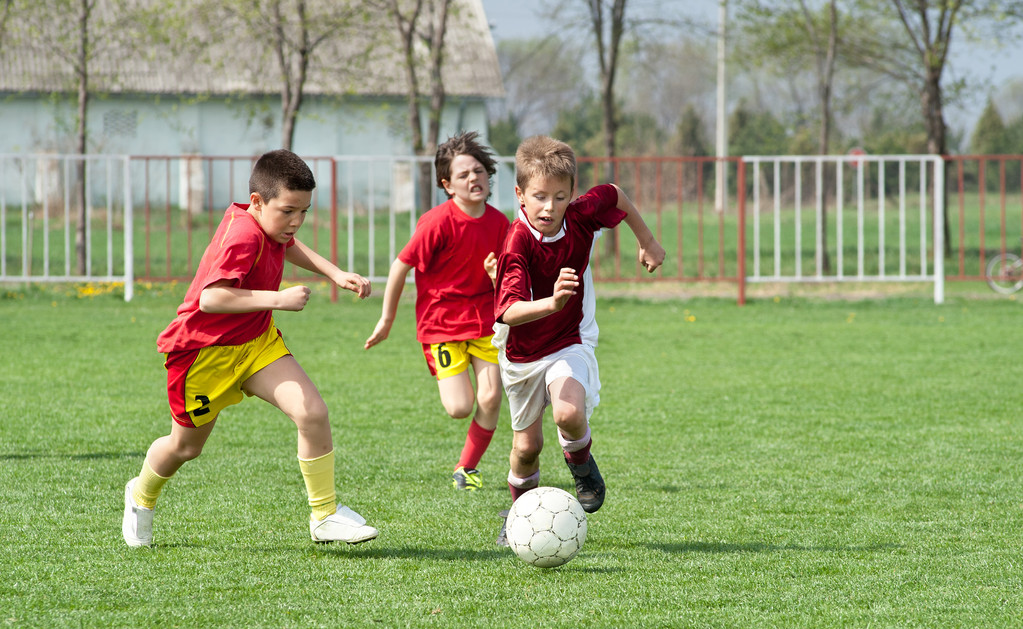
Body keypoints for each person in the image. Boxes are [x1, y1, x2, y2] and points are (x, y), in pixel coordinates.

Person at [122, 149, 379, 548]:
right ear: (258, 202)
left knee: (313, 413)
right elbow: (212, 299)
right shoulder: (242, 233)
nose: (296, 222)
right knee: (185, 448)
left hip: (256, 343)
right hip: (203, 355)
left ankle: (325, 516)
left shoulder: (266, 223)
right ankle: (140, 496)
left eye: (304, 212)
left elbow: (286, 243)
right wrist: (278, 299)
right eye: (289, 211)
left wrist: (334, 272)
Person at [493, 135, 666, 541]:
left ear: (572, 194)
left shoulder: (582, 214)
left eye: (558, 196)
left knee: (569, 413)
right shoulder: (516, 242)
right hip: (521, 355)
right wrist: (552, 303)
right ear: (520, 195)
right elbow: (507, 311)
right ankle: (519, 516)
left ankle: (582, 466)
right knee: (526, 449)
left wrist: (648, 241)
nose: (548, 207)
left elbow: (617, 196)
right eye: (538, 196)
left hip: (571, 339)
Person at [364, 131, 509, 491]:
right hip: (442, 324)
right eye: (463, 175)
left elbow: (507, 278)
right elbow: (400, 266)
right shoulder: (436, 222)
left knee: (490, 397)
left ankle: (467, 469)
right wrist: (387, 319)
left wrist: (496, 279)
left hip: (484, 321)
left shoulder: (500, 223)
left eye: (478, 171)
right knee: (460, 407)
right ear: (447, 185)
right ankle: (466, 459)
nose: (474, 178)